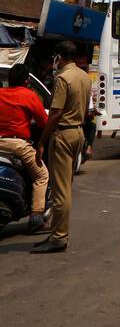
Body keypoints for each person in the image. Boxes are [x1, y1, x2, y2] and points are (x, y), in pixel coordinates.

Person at [31, 41, 91, 253]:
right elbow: (84, 111)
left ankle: (59, 237)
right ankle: (57, 232)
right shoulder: (84, 76)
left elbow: (55, 113)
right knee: (65, 187)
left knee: (60, 190)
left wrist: (41, 142)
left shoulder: (63, 78)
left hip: (63, 134)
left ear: (59, 57)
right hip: (78, 133)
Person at [0, 63, 49, 232]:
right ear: (27, 81)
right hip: (17, 144)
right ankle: (36, 216)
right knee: (42, 175)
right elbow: (44, 122)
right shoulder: (29, 95)